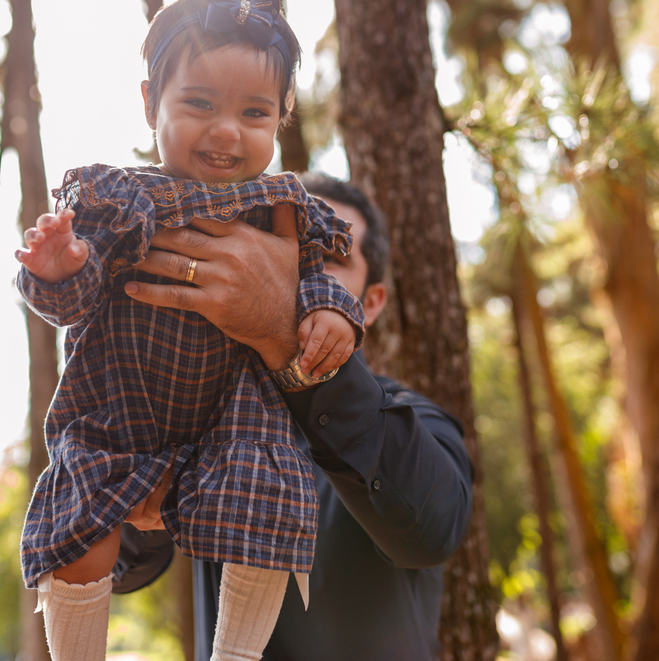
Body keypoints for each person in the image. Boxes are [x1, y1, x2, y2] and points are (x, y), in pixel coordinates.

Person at [14, 0, 366, 661]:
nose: (226, 130)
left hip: (234, 420)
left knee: (269, 501)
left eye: (255, 112)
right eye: (199, 103)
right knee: (81, 518)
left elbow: (316, 283)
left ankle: (235, 655)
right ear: (151, 102)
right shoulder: (121, 198)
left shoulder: (284, 210)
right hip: (118, 408)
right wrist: (60, 268)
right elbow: (73, 302)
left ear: (282, 117)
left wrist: (334, 314)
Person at [113, 173, 475, 661]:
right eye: (277, 246)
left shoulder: (417, 419)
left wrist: (283, 335)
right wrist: (138, 505)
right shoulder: (200, 415)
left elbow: (433, 531)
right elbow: (123, 570)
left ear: (370, 304)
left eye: (329, 256)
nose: (294, 270)